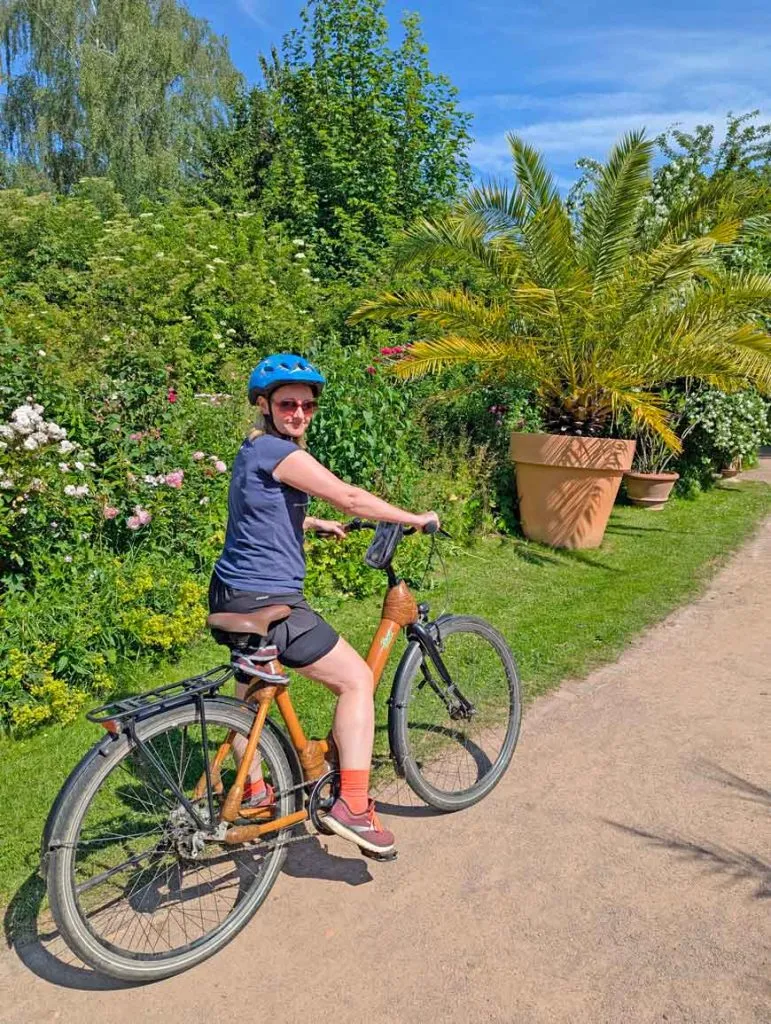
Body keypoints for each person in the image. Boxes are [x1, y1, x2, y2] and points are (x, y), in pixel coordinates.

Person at [209, 353, 439, 855]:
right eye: (287, 403)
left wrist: (310, 524)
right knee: (356, 679)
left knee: (249, 698)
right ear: (265, 405)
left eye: (307, 406)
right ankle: (353, 806)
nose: (298, 413)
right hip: (272, 602)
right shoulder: (280, 451)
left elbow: (257, 511)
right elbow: (350, 497)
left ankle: (254, 789)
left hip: (231, 595)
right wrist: (412, 517)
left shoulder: (252, 450)